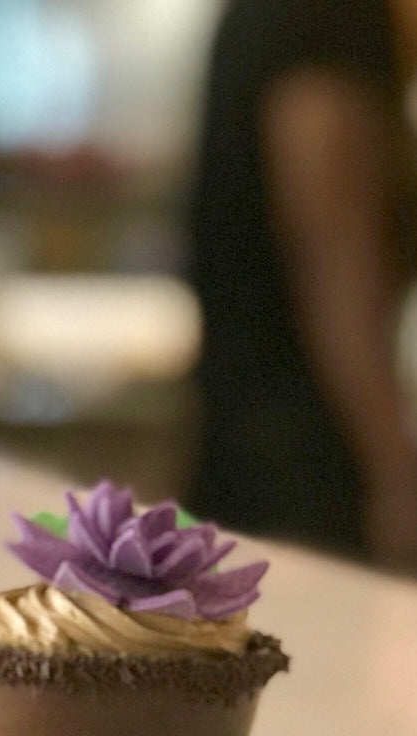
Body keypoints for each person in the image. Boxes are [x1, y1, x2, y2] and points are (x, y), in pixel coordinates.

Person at [185, 0, 417, 567]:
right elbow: (332, 248)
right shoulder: (329, 20)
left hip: (240, 450)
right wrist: (392, 468)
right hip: (308, 477)